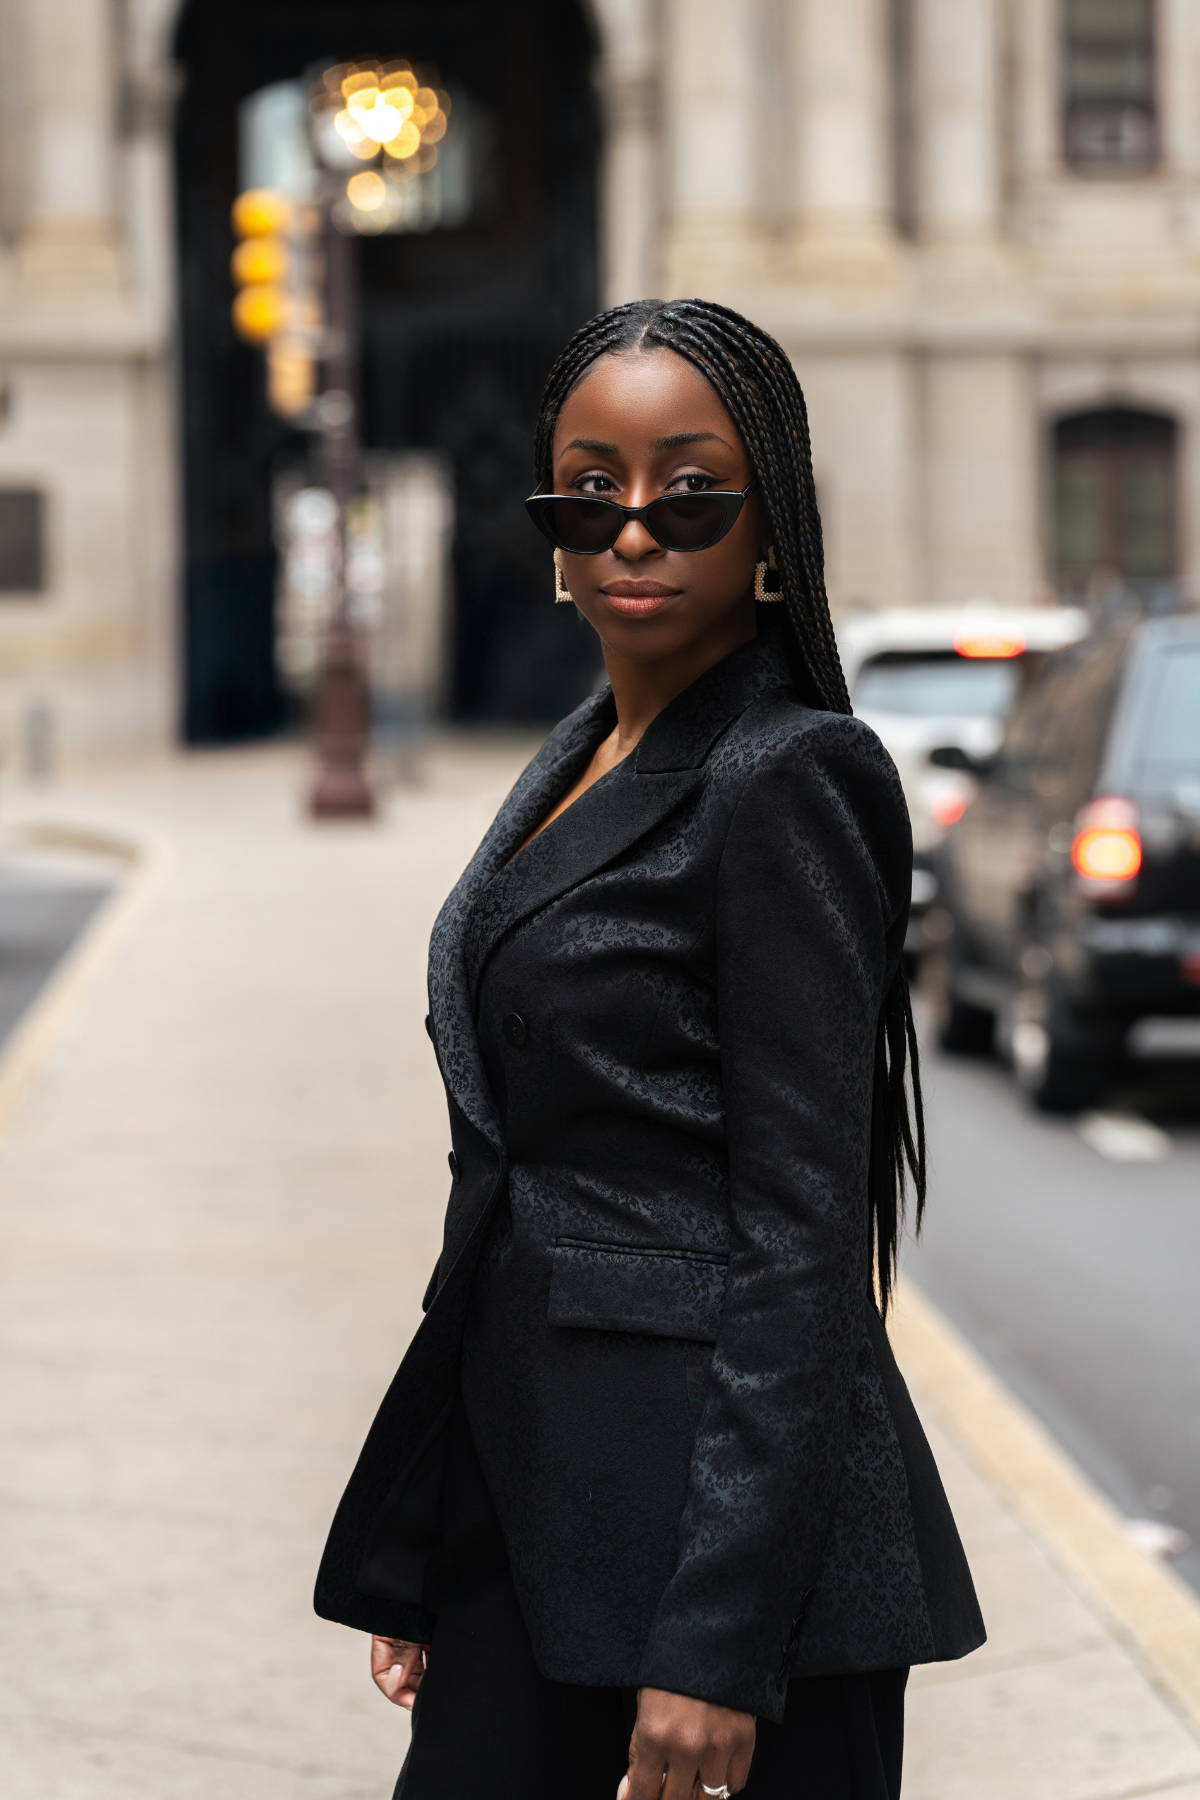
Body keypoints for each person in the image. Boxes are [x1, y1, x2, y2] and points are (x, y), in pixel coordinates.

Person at [315, 297, 985, 1799]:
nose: (633, 530)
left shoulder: (789, 777)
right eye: (588, 490)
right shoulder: (574, 757)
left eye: (690, 493)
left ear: (768, 533)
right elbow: (508, 1181)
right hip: (533, 1511)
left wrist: (717, 1642)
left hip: (714, 1559)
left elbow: (803, 1240)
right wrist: (437, 1525)